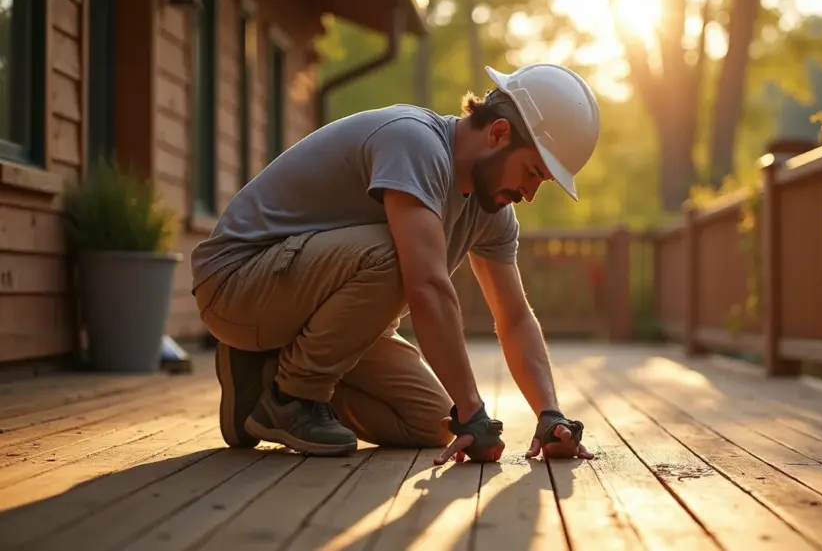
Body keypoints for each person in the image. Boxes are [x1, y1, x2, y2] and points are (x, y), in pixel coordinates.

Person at [190, 63, 599, 464]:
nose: (529, 193)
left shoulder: (492, 211)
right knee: (400, 254)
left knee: (435, 423)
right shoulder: (415, 143)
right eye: (532, 172)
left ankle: (261, 385)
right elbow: (426, 286)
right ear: (498, 133)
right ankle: (293, 395)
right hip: (236, 282)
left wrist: (550, 415)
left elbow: (514, 317)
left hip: (309, 304)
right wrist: (473, 409)